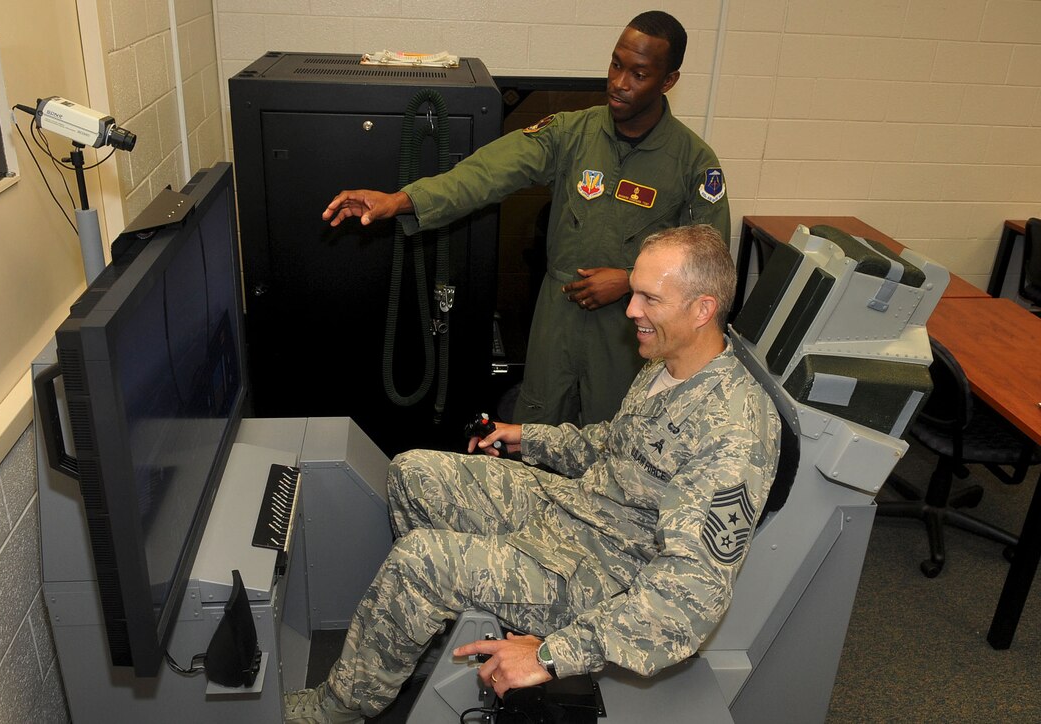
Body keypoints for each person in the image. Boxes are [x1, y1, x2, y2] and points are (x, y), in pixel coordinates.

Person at [285, 224, 780, 724]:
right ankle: (435, 635)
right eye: (634, 294)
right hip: (579, 509)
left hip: (609, 574)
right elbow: (614, 446)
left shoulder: (735, 430)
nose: (631, 311)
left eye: (649, 299)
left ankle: (341, 708)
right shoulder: (671, 359)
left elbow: (688, 601)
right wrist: (525, 435)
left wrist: (549, 655)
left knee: (421, 561)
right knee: (414, 472)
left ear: (702, 309)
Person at [322, 11, 730, 428]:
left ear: (668, 81)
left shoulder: (692, 163)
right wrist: (401, 199)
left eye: (639, 74)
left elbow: (709, 268)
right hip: (559, 318)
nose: (619, 83)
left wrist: (629, 280)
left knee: (613, 439)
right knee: (537, 430)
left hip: (633, 332)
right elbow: (485, 174)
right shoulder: (572, 133)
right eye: (616, 64)